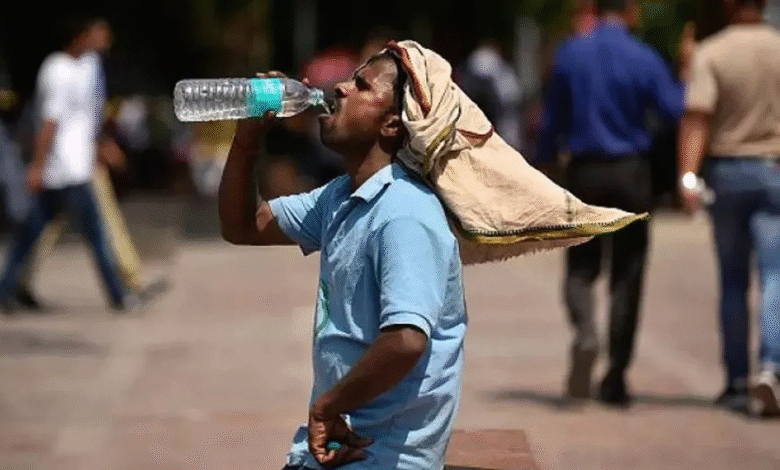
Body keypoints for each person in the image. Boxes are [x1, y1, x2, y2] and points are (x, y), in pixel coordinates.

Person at [218, 51, 467, 469]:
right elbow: (242, 226)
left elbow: (406, 339)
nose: (339, 88)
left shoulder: (405, 212)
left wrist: (327, 407)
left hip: (381, 456)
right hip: (336, 449)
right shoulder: (340, 196)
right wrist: (248, 139)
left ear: (392, 124)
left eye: (362, 85)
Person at [536, 0, 690, 405]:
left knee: (580, 267)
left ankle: (586, 331)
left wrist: (544, 163)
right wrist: (686, 74)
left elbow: (551, 121)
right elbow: (674, 109)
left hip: (583, 171)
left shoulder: (570, 53)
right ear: (631, 11)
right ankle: (616, 376)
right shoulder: (644, 56)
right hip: (631, 172)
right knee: (628, 273)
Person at [11, 18, 167, 310]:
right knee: (89, 233)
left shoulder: (90, 66)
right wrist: (38, 166)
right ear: (80, 36)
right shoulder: (57, 69)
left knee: (45, 230)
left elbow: (90, 115)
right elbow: (49, 123)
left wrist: (101, 144)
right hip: (64, 169)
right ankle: (120, 294)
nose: (104, 41)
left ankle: (12, 285)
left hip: (80, 163)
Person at [678, 0, 780, 417]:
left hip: (728, 171)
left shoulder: (712, 52)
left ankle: (737, 380)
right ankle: (772, 367)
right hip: (774, 169)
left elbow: (698, 117)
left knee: (733, 280)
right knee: (775, 274)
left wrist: (687, 176)